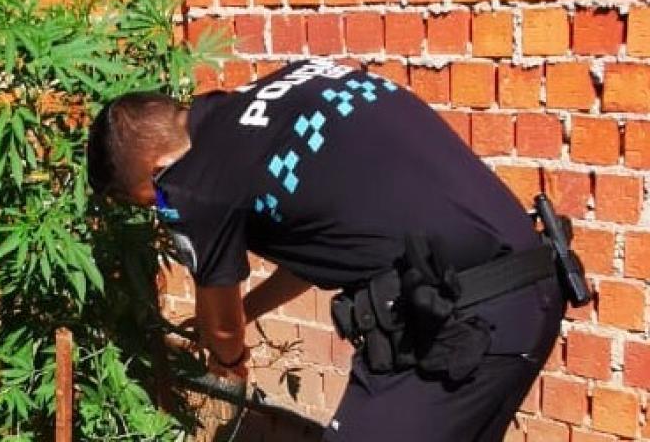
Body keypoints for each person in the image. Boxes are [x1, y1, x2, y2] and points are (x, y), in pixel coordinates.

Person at [86, 59, 572, 441]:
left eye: (150, 202)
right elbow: (313, 256)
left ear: (156, 170)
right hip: (527, 289)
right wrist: (251, 310)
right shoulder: (278, 98)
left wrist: (227, 359)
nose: (160, 208)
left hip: (464, 321)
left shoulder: (190, 182)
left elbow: (222, 329)